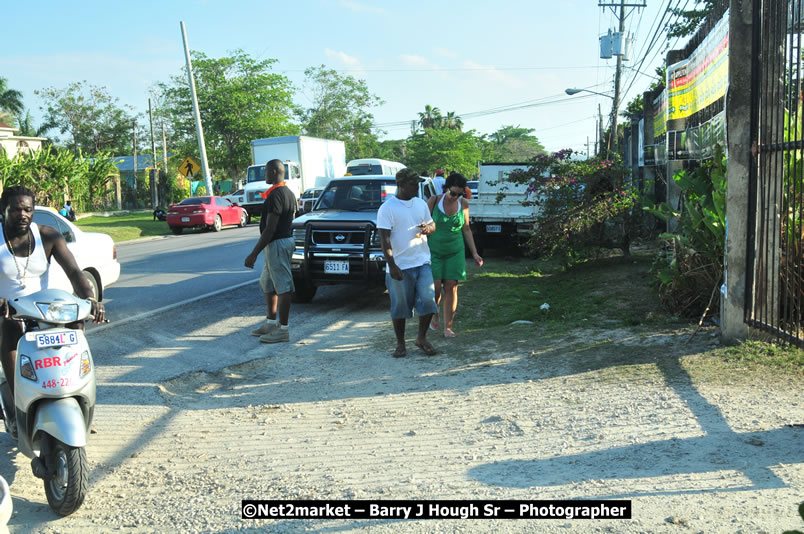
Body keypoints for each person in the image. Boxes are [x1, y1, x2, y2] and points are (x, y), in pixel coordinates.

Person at [0, 186, 105, 433]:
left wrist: (90, 299)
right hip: (6, 310)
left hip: (41, 308)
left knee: (75, 324)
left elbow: (75, 272)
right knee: (9, 327)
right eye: (15, 209)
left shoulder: (47, 236)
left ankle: (74, 398)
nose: (22, 214)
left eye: (27, 209)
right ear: (2, 211)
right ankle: (18, 408)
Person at [376, 168, 439, 358]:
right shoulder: (387, 208)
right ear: (400, 184)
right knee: (400, 307)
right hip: (400, 266)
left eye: (417, 183)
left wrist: (429, 228)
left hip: (422, 261)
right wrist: (392, 265)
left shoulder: (420, 204)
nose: (417, 187)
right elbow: (384, 240)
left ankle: (421, 338)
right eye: (413, 183)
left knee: (429, 301)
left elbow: (432, 224)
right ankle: (400, 343)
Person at [244, 160, 297, 344]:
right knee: (268, 283)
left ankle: (283, 329)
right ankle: (270, 322)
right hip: (277, 244)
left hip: (277, 244)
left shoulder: (277, 195)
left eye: (266, 171)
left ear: (274, 171)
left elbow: (270, 229)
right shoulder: (287, 192)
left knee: (283, 287)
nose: (264, 175)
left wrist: (254, 253)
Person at [426, 172, 483, 338]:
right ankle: (434, 313)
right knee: (435, 288)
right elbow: (424, 224)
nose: (455, 197)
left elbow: (466, 228)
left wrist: (474, 253)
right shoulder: (434, 201)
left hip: (455, 251)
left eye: (459, 194)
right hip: (434, 250)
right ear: (446, 189)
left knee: (451, 286)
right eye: (453, 193)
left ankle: (448, 327)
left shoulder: (464, 203)